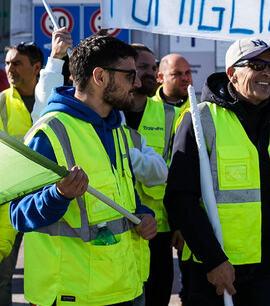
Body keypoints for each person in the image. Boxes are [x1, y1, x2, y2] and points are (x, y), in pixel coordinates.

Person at [9, 35, 157, 306]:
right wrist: (58, 195)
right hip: (71, 293)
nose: (137, 83)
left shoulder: (118, 131)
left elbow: (124, 199)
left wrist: (143, 216)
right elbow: (19, 214)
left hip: (124, 286)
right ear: (99, 77)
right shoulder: (49, 132)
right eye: (129, 75)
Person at [165, 38, 270, 304]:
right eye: (256, 65)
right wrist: (214, 260)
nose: (268, 73)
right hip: (218, 268)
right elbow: (180, 198)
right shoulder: (201, 119)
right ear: (232, 73)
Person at [0, 27, 72, 306]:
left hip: (48, 199)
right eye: (7, 63)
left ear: (37, 67)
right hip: (8, 202)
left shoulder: (56, 99)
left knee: (49, 273)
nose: (10, 69)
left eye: (16, 63)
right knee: (4, 276)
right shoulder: (2, 103)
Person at [122, 44, 182, 305]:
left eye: (153, 67)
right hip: (118, 225)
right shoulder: (108, 115)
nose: (151, 73)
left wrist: (181, 224)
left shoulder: (173, 116)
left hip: (159, 229)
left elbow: (182, 176)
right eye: (143, 66)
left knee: (158, 296)